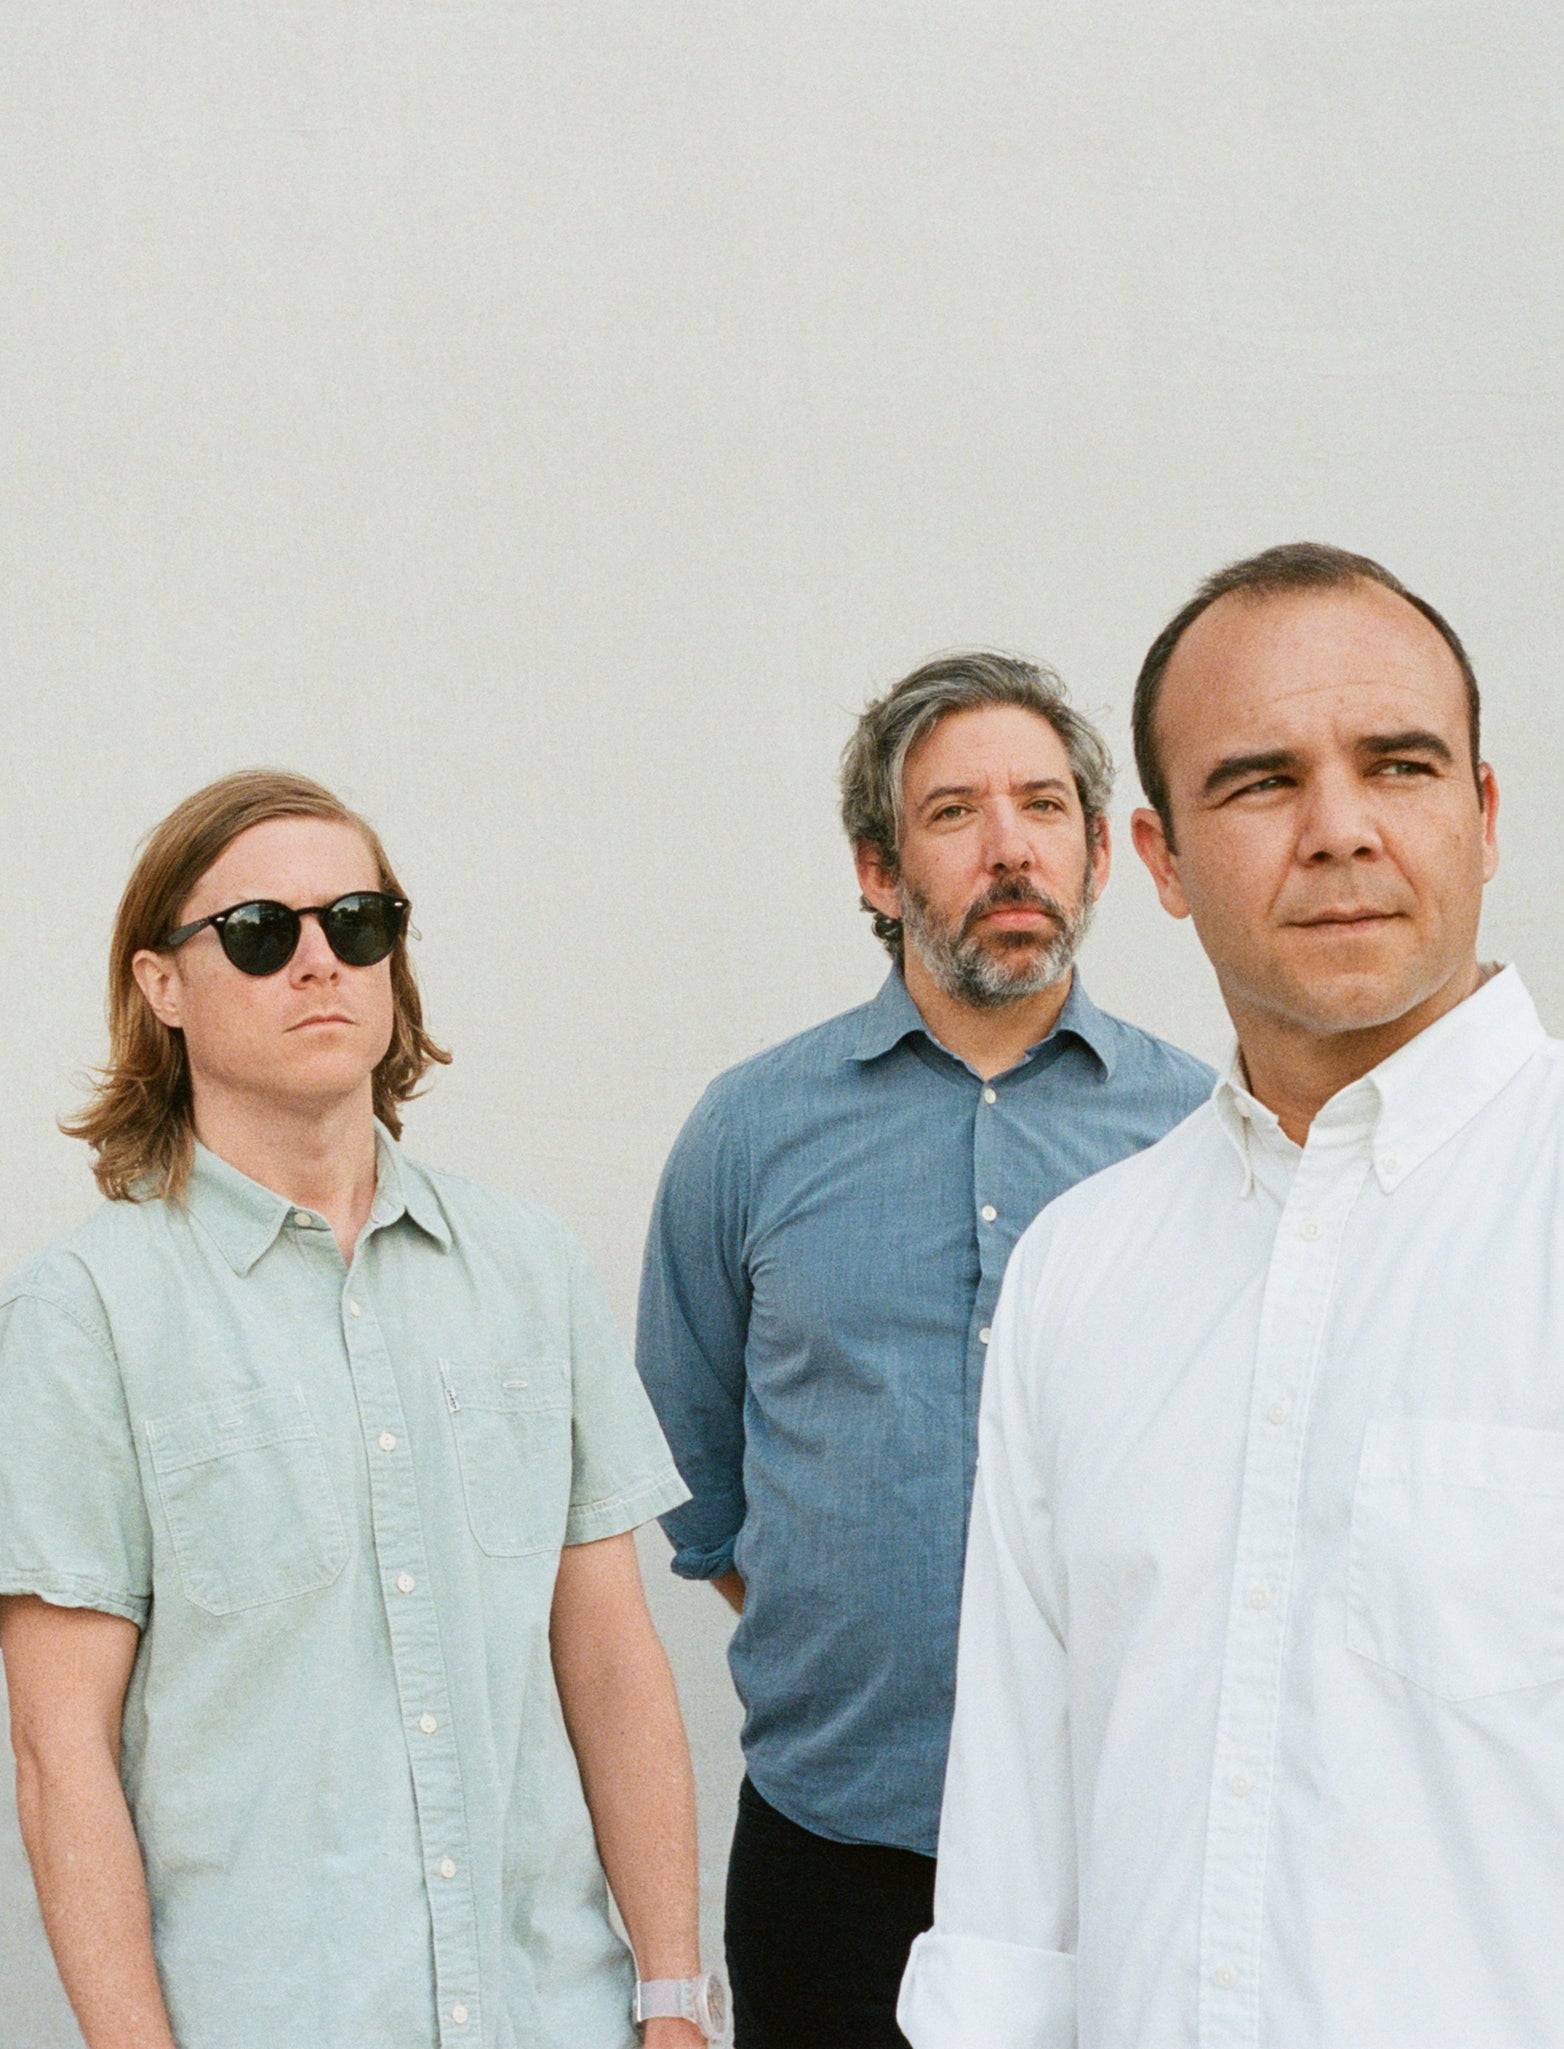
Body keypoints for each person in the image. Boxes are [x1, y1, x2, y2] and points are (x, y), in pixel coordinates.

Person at [901, 544, 1564, 2047]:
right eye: (1259, 782)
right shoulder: (1083, 1272)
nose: (1337, 832)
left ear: (1480, 815)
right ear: (1158, 861)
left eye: (1396, 765)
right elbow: (1015, 1876)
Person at [0, 768, 723, 2048]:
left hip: (556, 2016)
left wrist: (675, 1997)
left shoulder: (528, 1267)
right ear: (161, 987)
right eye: (260, 934)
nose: (319, 963)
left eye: (357, 923)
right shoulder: (83, 1315)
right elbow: (57, 1757)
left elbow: (611, 1660)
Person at [635, 653, 1211, 2047]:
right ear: (879, 872)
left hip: (1124, 1853)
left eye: (1044, 806)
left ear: (1098, 857)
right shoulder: (750, 1132)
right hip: (833, 1847)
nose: (1009, 845)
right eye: (954, 813)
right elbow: (695, 1472)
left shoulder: (1198, 1135)